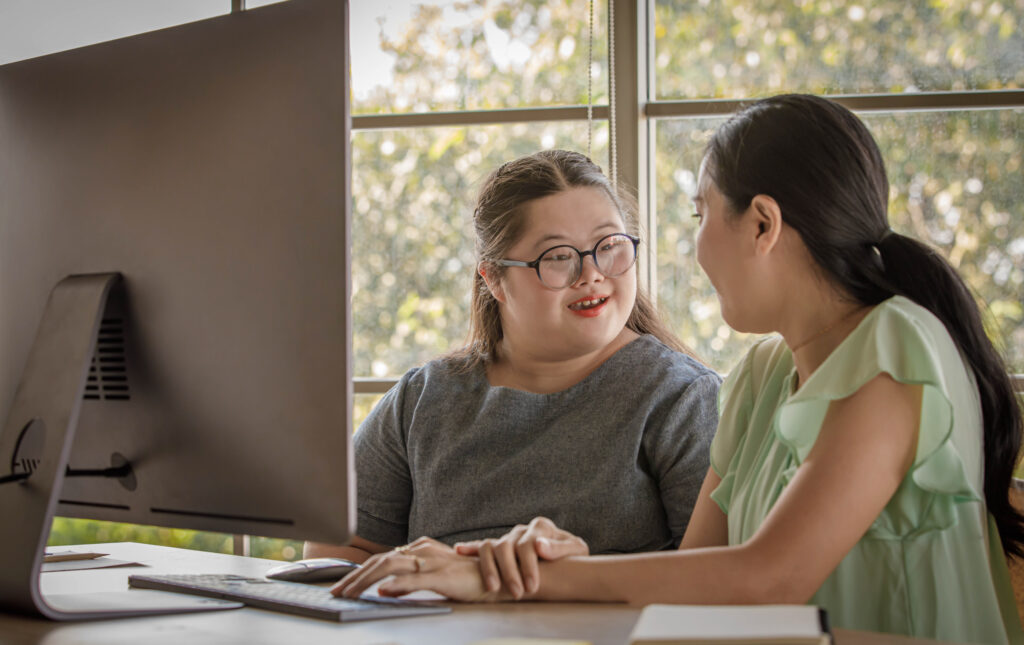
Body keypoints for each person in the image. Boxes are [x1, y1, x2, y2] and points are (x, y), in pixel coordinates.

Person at [333, 95, 1024, 644]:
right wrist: (559, 561)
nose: (692, 249)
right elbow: (698, 578)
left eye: (700, 214)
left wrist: (495, 578)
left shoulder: (896, 348)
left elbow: (767, 578)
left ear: (762, 224)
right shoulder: (759, 377)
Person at [305, 149, 721, 580]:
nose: (591, 273)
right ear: (494, 279)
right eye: (558, 257)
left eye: (609, 246)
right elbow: (336, 549)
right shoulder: (423, 399)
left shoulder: (681, 397)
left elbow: (708, 582)